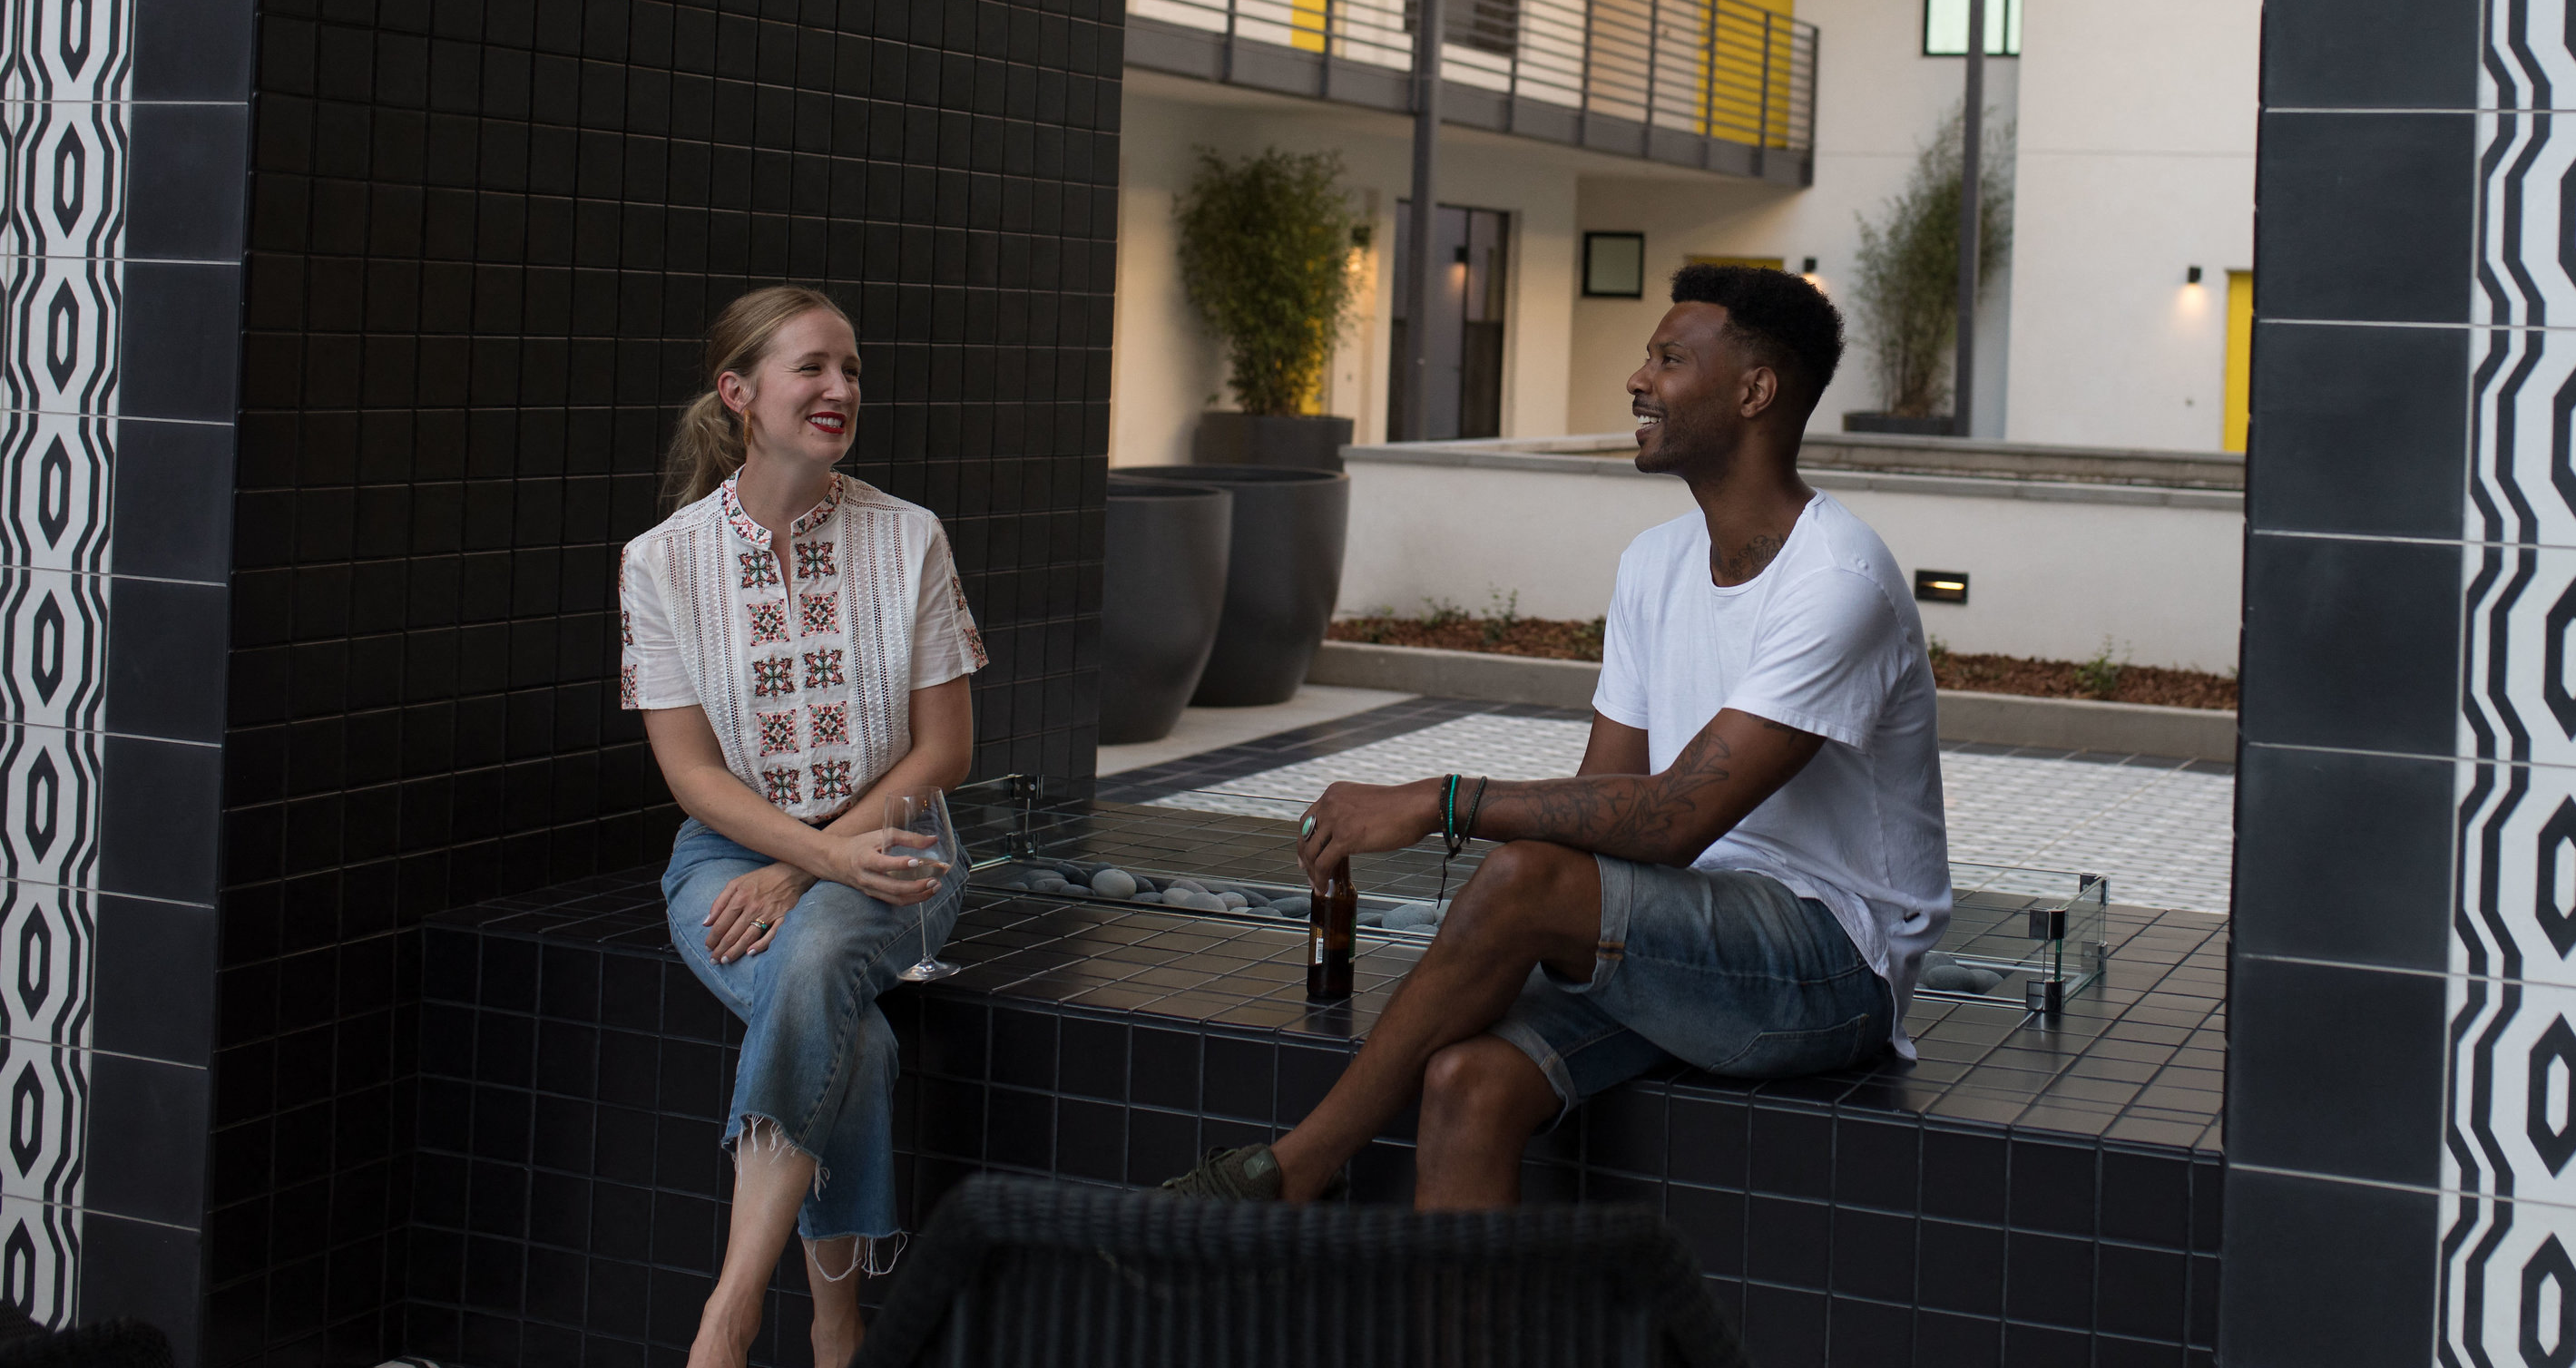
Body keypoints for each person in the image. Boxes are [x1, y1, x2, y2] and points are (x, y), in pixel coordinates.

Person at [1164, 262, 1950, 1206]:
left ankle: (1300, 1165)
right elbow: (1605, 804)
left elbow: (1668, 822)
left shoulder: (1839, 581)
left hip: (1830, 966)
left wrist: (1438, 801)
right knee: (1466, 1085)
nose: (1637, 380)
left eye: (1669, 357)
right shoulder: (1654, 565)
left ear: (1754, 391)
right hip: (1686, 931)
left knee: (1523, 880)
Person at [620, 286, 989, 1368]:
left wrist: (816, 868)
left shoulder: (908, 537)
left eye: (853, 370)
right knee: (853, 1033)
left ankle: (727, 1318)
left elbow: (945, 753)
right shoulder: (662, 562)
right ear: (740, 394)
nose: (841, 390)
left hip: (903, 839)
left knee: (821, 947)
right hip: (724, 857)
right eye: (813, 369)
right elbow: (691, 775)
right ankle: (836, 1325)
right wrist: (806, 857)